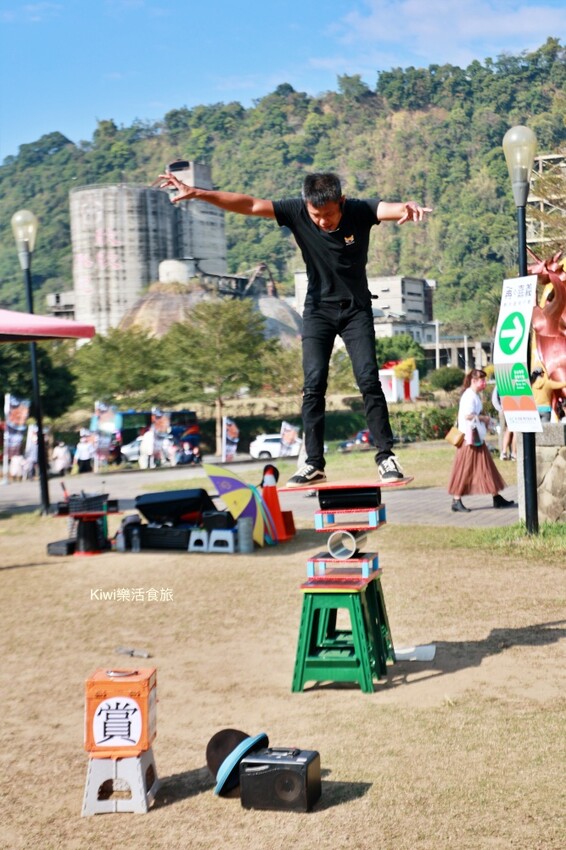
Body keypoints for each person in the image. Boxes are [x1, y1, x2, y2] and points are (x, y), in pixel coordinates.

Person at [159, 169, 431, 486]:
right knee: (313, 385)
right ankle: (314, 463)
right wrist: (200, 193)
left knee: (368, 378)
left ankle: (386, 457)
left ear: (341, 202)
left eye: (329, 214)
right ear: (306, 205)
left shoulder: (358, 210)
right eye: (317, 216)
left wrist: (406, 208)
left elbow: (389, 209)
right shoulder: (295, 211)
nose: (323, 222)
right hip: (317, 310)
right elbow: (248, 205)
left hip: (356, 310)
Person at [448, 369, 515, 513]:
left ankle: (496, 497)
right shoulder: (469, 396)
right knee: (465, 470)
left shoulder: (473, 395)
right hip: (469, 439)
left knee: (487, 468)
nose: (484, 383)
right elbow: (467, 415)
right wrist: (484, 419)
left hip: (475, 438)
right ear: (474, 381)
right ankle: (456, 499)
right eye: (482, 380)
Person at [491, 387, 516, 461]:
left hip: (513, 410)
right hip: (504, 410)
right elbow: (494, 399)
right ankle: (503, 452)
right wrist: (500, 409)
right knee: (503, 431)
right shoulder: (499, 384)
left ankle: (511, 452)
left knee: (511, 431)